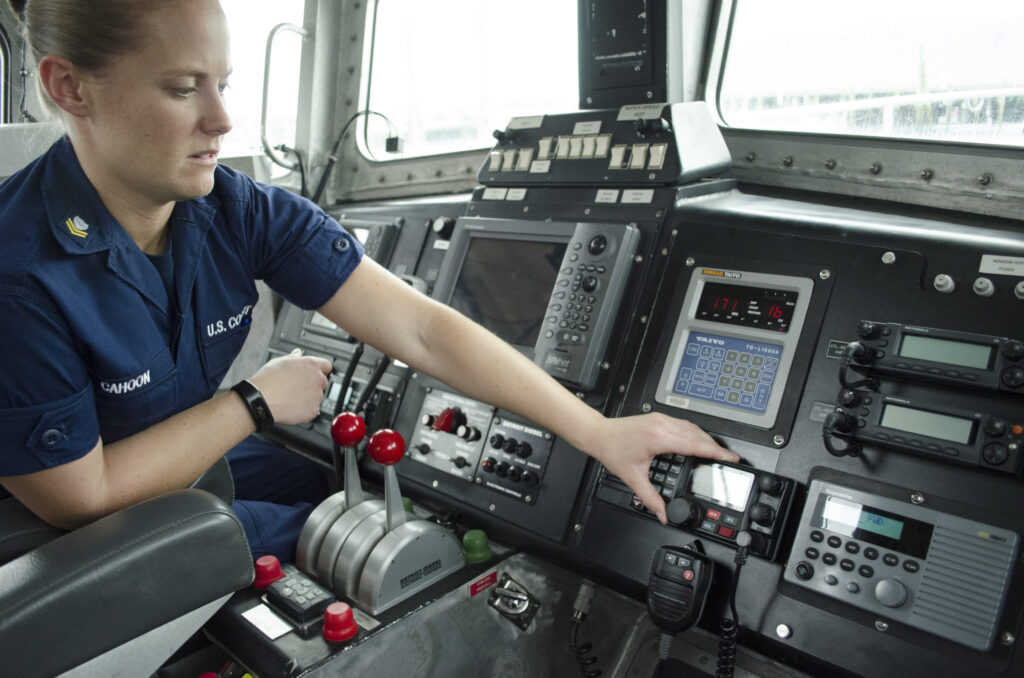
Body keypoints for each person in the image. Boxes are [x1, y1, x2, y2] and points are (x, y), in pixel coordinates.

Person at [0, 0, 738, 561]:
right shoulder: (19, 274)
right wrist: (254, 402)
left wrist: (597, 430)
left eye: (222, 83)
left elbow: (420, 326)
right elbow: (81, 498)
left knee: (330, 486)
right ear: (71, 88)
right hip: (55, 540)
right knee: (370, 535)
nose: (223, 119)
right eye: (183, 88)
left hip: (175, 463)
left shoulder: (233, 209)